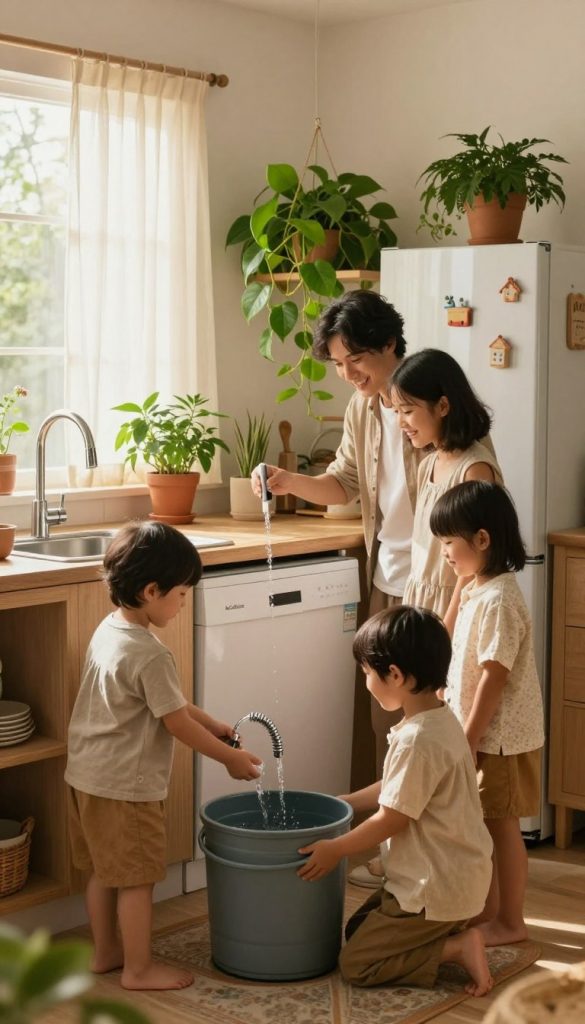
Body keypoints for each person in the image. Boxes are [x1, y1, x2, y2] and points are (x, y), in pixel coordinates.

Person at [252, 291, 428, 887]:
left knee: (431, 727)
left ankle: (428, 853)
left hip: (434, 581)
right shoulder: (360, 409)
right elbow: (344, 484)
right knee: (388, 724)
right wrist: (287, 482)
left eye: (355, 359)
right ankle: (393, 853)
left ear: (387, 346)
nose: (348, 374)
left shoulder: (424, 394)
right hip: (386, 578)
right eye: (336, 365)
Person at [65, 521, 262, 991]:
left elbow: (168, 703)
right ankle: (137, 969)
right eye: (180, 594)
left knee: (103, 871)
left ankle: (106, 951)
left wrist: (211, 721)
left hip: (86, 774)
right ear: (151, 590)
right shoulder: (151, 654)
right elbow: (173, 722)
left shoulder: (110, 629)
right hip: (125, 787)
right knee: (136, 879)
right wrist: (228, 758)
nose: (183, 602)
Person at [297, 605, 494, 996]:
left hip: (434, 887)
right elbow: (399, 785)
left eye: (368, 673)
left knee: (357, 963)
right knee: (356, 931)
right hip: (453, 877)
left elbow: (391, 819)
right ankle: (446, 930)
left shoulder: (417, 740)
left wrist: (336, 848)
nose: (366, 681)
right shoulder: (439, 720)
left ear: (396, 675)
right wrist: (348, 801)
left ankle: (456, 946)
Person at [430, 480, 544, 946]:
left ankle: (510, 922)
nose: (445, 555)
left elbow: (493, 678)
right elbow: (448, 634)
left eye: (449, 544)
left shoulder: (500, 600)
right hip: (482, 734)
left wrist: (469, 740)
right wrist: (459, 581)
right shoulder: (479, 587)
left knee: (501, 828)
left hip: (499, 739)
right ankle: (490, 913)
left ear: (482, 540)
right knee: (485, 824)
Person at [390, 348, 502, 627]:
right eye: (396, 412)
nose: (400, 422)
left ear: (442, 406)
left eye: (407, 411)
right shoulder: (428, 465)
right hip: (420, 598)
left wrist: (447, 627)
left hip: (457, 607)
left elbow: (474, 566)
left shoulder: (474, 470)